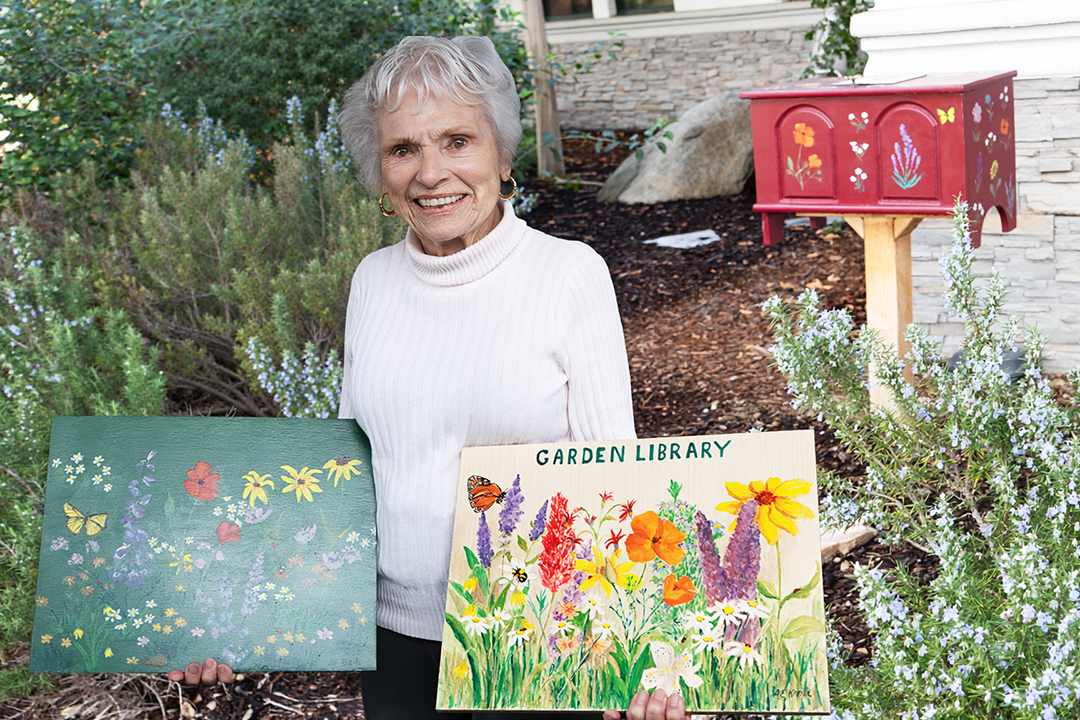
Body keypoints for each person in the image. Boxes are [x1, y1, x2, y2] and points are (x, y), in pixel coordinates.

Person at [171, 35, 686, 720]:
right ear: (380, 169)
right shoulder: (372, 281)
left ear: (502, 156)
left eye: (456, 141)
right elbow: (349, 474)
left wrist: (650, 651)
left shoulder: (569, 275)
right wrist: (233, 617)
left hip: (534, 636)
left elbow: (616, 475)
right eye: (403, 149)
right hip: (395, 638)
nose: (430, 172)